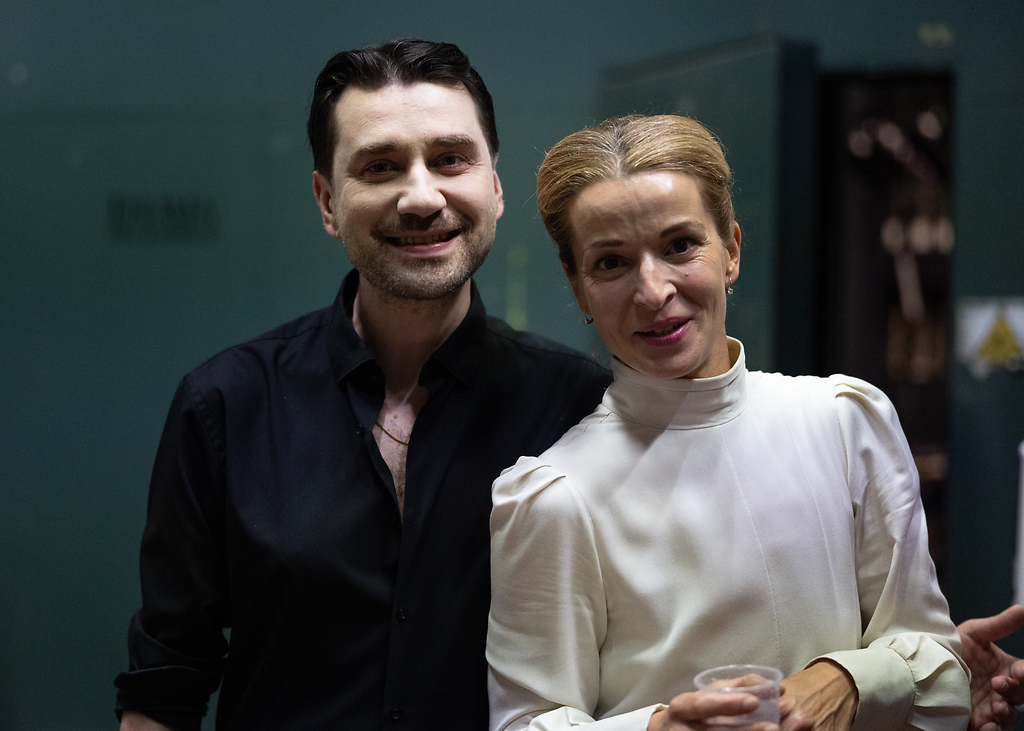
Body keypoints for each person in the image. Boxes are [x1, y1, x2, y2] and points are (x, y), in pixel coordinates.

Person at [114, 39, 611, 730]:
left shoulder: (580, 406)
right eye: (380, 166)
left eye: (451, 159)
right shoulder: (224, 404)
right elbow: (166, 682)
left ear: (495, 187)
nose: (422, 197)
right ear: (327, 201)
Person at [486, 114, 972, 731]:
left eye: (679, 246)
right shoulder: (554, 497)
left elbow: (942, 674)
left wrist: (848, 680)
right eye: (611, 262)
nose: (652, 291)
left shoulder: (845, 425)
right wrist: (659, 728)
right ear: (579, 288)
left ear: (732, 250)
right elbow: (524, 722)